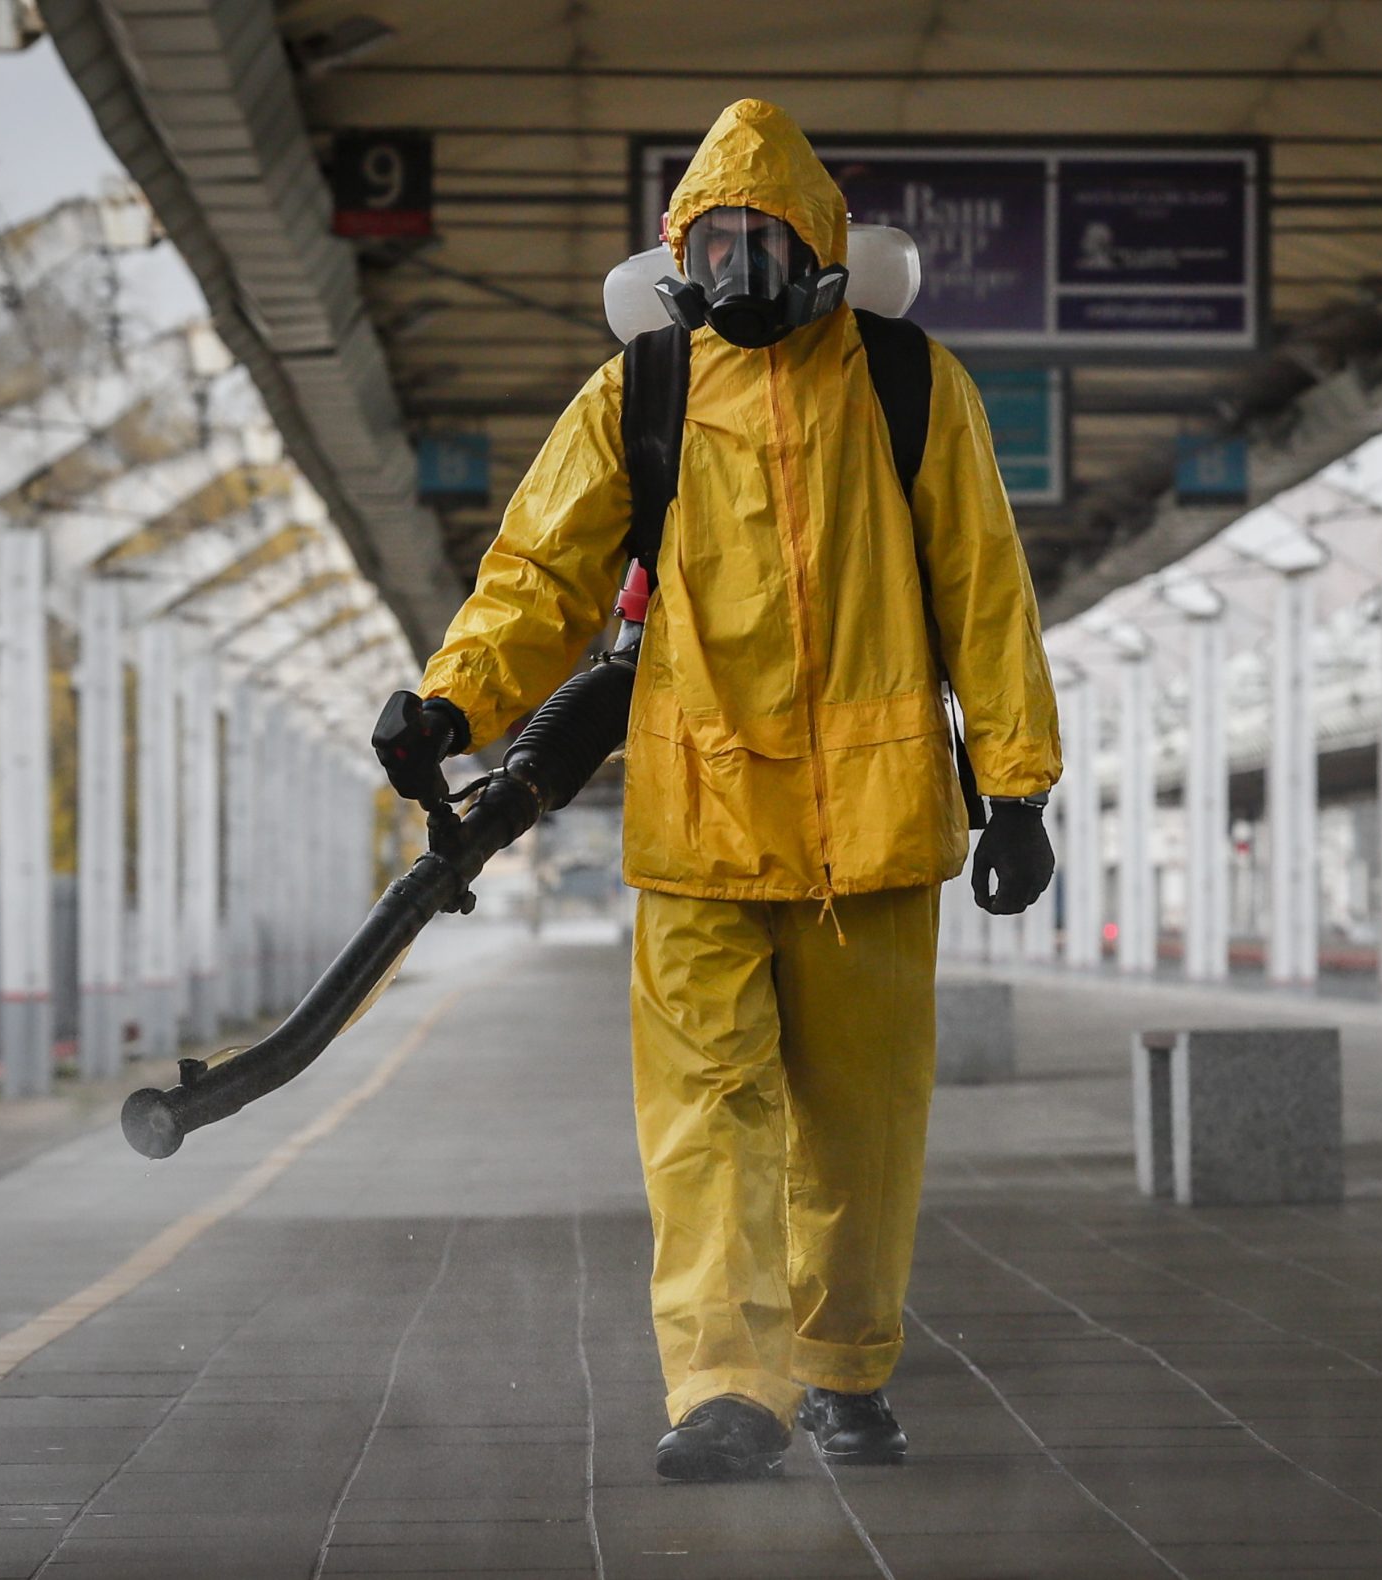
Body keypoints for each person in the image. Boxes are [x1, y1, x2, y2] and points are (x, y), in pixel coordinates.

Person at [372, 99, 1061, 1480]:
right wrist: (455, 701)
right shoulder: (644, 391)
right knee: (706, 1119)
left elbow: (986, 591)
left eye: (764, 241)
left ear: (818, 244)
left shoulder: (912, 384)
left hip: (871, 840)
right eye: (715, 244)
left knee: (860, 1135)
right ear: (683, 253)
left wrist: (1018, 790)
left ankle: (846, 1371)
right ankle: (725, 1389)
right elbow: (540, 572)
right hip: (697, 824)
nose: (740, 269)